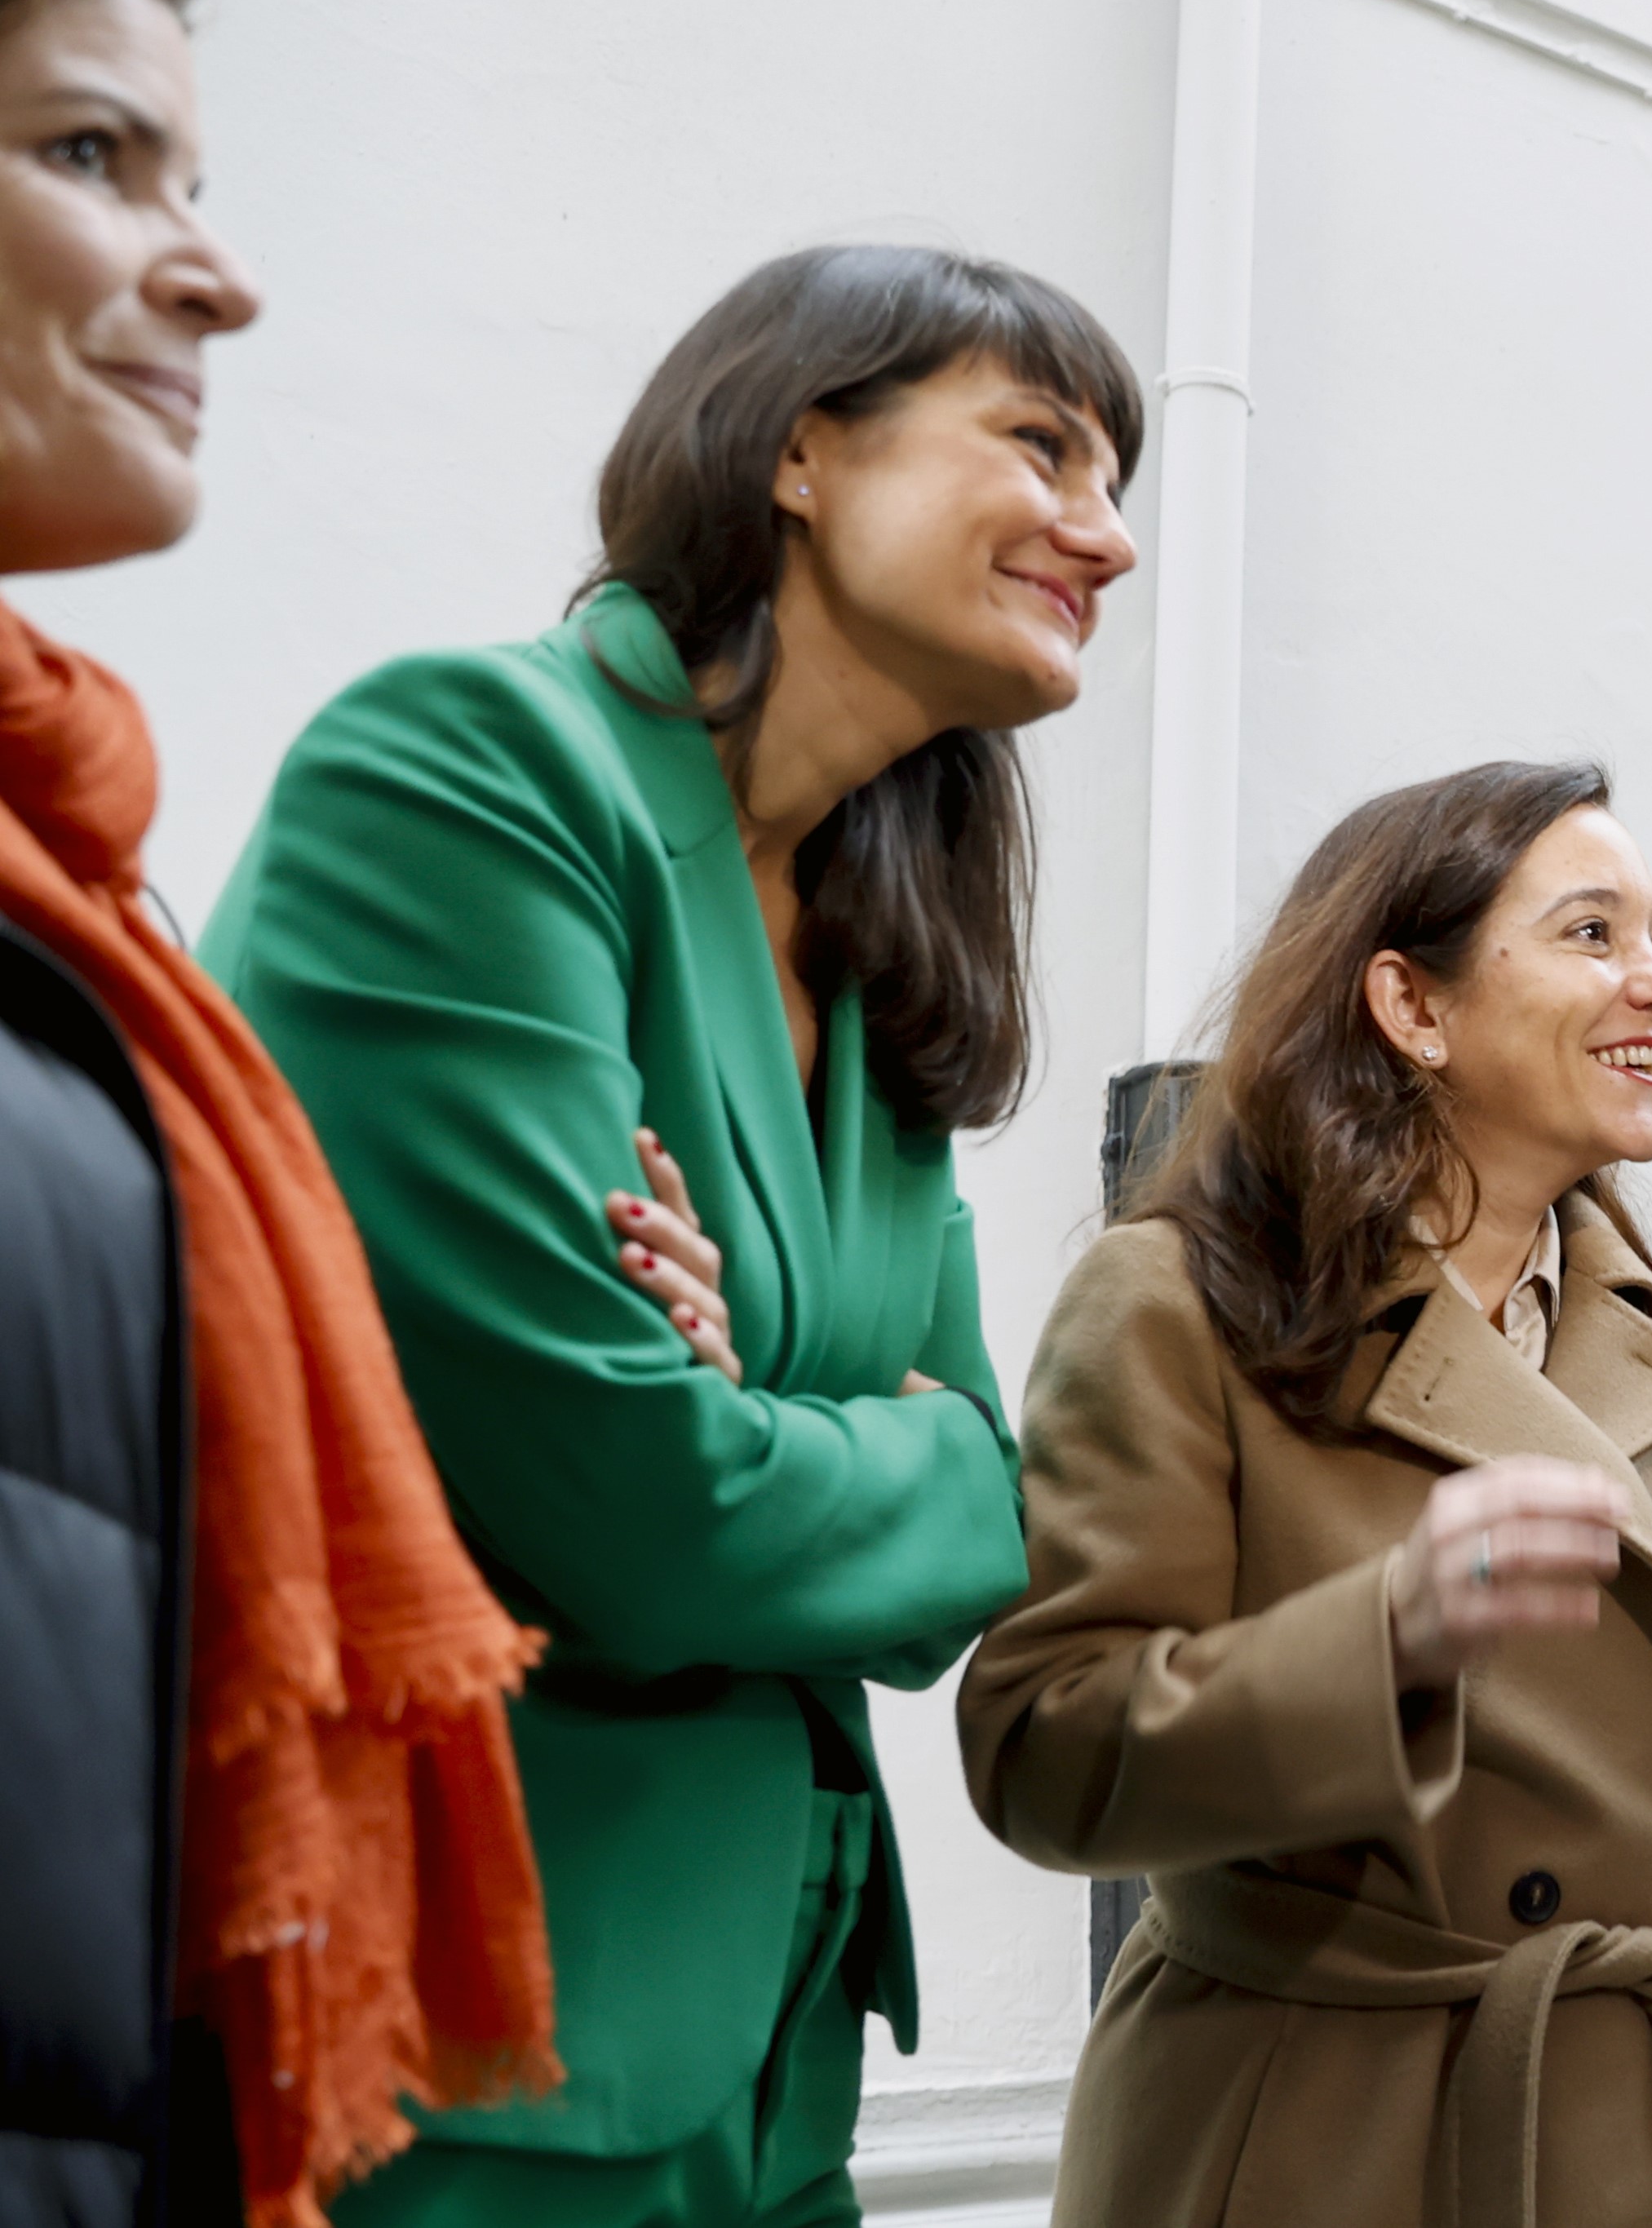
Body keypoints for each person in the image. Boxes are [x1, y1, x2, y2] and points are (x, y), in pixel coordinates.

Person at [204, 243, 1140, 2226]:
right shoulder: (472, 771)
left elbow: (999, 1507)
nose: (1107, 534)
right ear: (804, 447)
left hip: (780, 2053)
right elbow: (636, 1504)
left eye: (1120, 477)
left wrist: (808, 1425)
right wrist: (875, 1441)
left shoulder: (886, 953)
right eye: (1043, 444)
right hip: (464, 2046)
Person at [958, 763, 1652, 2226]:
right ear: (1414, 1005)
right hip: (1324, 2136)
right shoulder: (1176, 1303)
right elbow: (1044, 1748)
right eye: (1592, 933)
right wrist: (1384, 1648)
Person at [0, 0, 556, 2225]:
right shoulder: (451, 782)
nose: (213, 275)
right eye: (93, 157)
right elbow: (619, 1459)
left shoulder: (81, 882)